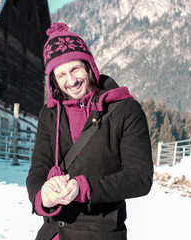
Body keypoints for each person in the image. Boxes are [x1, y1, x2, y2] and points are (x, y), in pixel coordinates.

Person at [26, 22, 154, 240]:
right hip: (52, 232)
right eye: (61, 74)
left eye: (75, 69)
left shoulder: (125, 109)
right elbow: (38, 169)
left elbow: (141, 178)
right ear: (53, 81)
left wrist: (84, 187)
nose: (71, 80)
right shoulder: (49, 114)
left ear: (89, 66)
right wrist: (42, 196)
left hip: (101, 233)